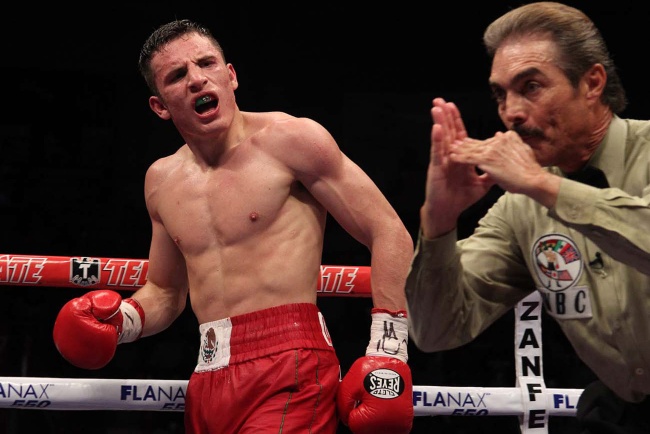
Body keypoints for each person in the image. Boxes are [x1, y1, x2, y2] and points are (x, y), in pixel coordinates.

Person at [51, 19, 414, 434]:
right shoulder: (161, 180)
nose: (196, 79)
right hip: (207, 375)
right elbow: (166, 292)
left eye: (206, 63)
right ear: (160, 106)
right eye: (177, 75)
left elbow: (388, 231)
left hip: (290, 364)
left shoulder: (292, 140)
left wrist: (388, 350)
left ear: (231, 76)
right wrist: (122, 322)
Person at [405, 2, 650, 433]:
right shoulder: (521, 207)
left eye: (531, 86)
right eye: (501, 94)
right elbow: (437, 330)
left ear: (592, 83)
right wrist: (439, 221)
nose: (511, 112)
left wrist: (544, 186)